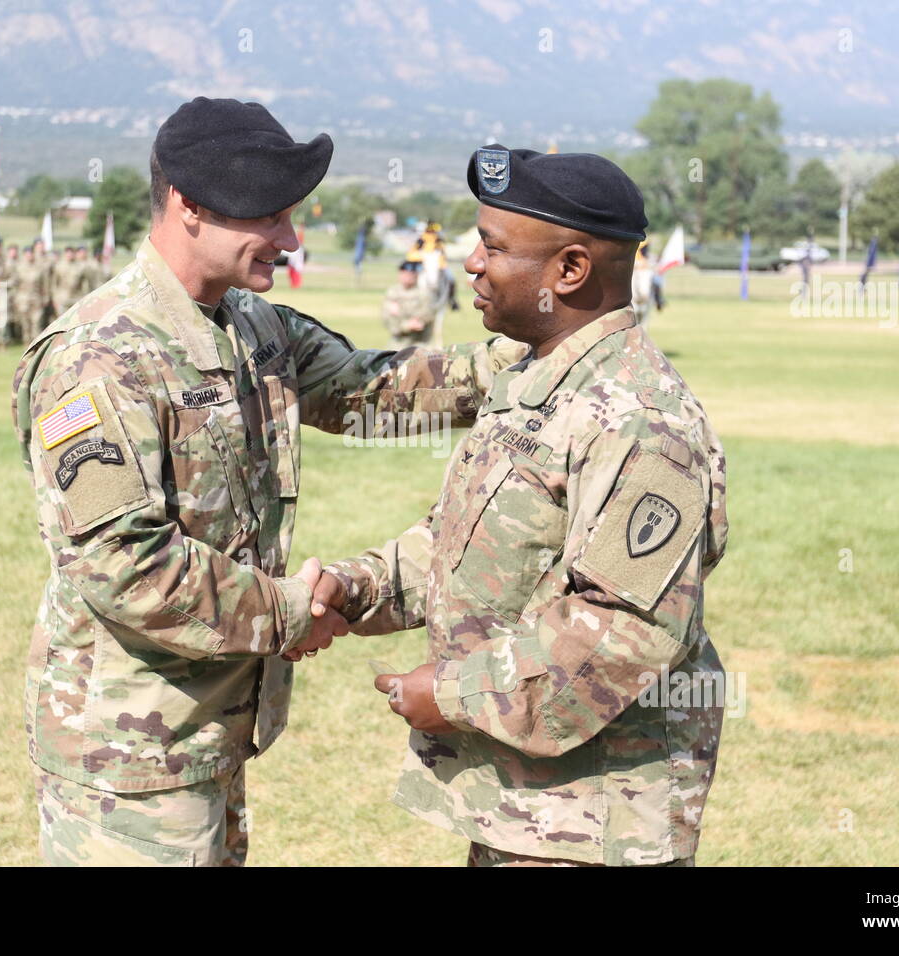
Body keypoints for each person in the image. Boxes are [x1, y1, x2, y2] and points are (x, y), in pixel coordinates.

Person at [10, 97, 524, 867]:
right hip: (129, 755)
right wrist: (288, 611)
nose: (289, 239)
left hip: (210, 732)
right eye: (269, 219)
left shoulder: (251, 325)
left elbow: (370, 390)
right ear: (186, 205)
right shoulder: (99, 355)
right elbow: (126, 564)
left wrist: (528, 358)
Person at [311, 145, 728, 867]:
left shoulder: (640, 419)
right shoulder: (539, 378)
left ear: (569, 270)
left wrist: (455, 695)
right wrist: (358, 587)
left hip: (591, 823)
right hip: (524, 808)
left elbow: (619, 632)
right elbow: (470, 542)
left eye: (494, 247)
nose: (471, 262)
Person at [382, 261, 434, 348]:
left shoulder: (424, 293)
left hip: (420, 345)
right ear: (400, 274)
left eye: (412, 274)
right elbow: (389, 321)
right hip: (397, 345)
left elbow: (426, 316)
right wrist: (407, 325)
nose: (408, 276)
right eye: (405, 273)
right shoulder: (392, 293)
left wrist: (413, 322)